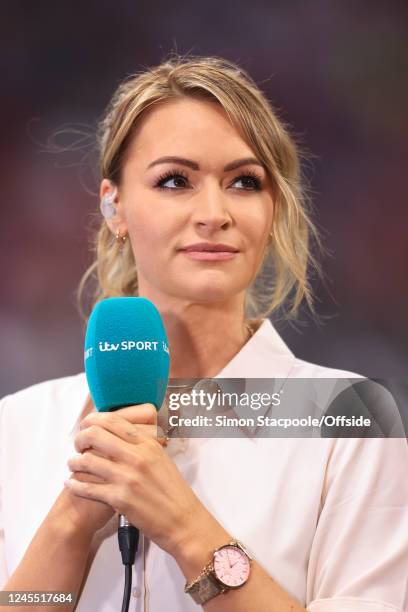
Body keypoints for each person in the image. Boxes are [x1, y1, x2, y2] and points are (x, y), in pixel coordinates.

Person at [0, 53, 406, 612]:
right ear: (113, 205)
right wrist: (72, 522)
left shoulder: (349, 419)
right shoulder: (19, 425)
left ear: (273, 209)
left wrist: (184, 528)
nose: (214, 212)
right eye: (175, 181)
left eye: (244, 181)